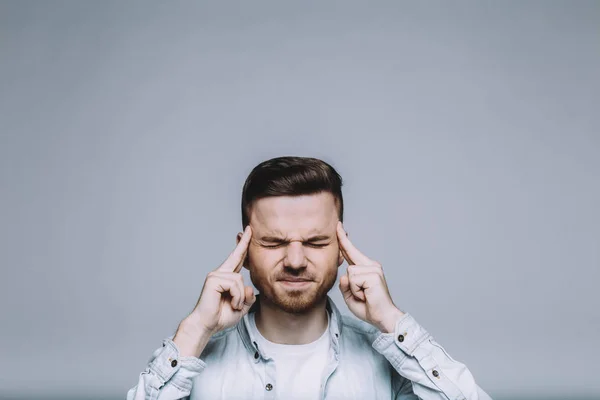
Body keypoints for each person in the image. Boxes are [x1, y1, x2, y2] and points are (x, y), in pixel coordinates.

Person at [127, 156, 492, 400]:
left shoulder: (389, 362)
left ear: (342, 248)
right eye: (273, 242)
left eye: (316, 242)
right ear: (244, 251)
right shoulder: (195, 362)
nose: (296, 261)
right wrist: (193, 332)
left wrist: (391, 321)